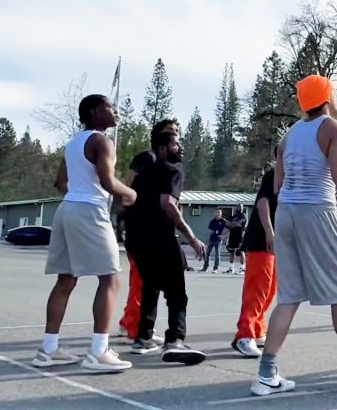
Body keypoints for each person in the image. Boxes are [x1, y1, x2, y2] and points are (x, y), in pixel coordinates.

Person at [250, 74, 337, 396]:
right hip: (317, 215)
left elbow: (281, 186)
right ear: (327, 98)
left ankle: (266, 374)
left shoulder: (289, 136)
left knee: (289, 297)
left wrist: (323, 192)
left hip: (287, 214)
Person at [33, 94, 134, 372]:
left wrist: (81, 194)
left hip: (67, 210)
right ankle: (99, 353)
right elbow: (108, 181)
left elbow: (60, 182)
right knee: (111, 279)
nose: (115, 111)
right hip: (88, 212)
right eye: (109, 108)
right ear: (93, 112)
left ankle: (48, 350)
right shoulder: (102, 141)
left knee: (65, 280)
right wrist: (131, 193)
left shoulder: (73, 143)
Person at [129, 132, 207, 364]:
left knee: (150, 287)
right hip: (158, 238)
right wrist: (191, 237)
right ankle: (174, 340)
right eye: (175, 144)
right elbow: (168, 204)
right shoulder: (172, 172)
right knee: (176, 294)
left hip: (137, 239)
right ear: (162, 149)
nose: (180, 147)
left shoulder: (143, 175)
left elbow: (129, 202)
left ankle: (143, 338)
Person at [118, 118, 180, 342]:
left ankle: (130, 321)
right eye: (171, 132)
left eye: (176, 133)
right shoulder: (147, 158)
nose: (175, 136)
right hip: (142, 229)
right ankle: (135, 327)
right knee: (142, 280)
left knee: (148, 281)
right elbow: (128, 187)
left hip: (156, 229)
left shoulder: (168, 167)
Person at [231, 165, 279, 358]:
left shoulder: (294, 175)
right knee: (257, 288)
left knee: (269, 289)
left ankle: (257, 329)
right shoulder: (274, 174)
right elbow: (262, 202)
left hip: (278, 242)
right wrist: (269, 231)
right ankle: (244, 335)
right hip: (262, 239)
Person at [225, 205, 247, 275]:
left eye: (240, 207)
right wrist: (233, 224)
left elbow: (239, 224)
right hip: (232, 235)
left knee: (241, 250)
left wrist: (232, 224)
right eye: (238, 207)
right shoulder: (233, 216)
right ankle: (231, 268)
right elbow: (227, 224)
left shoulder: (243, 216)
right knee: (232, 250)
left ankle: (242, 268)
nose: (239, 208)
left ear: (242, 208)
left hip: (240, 235)